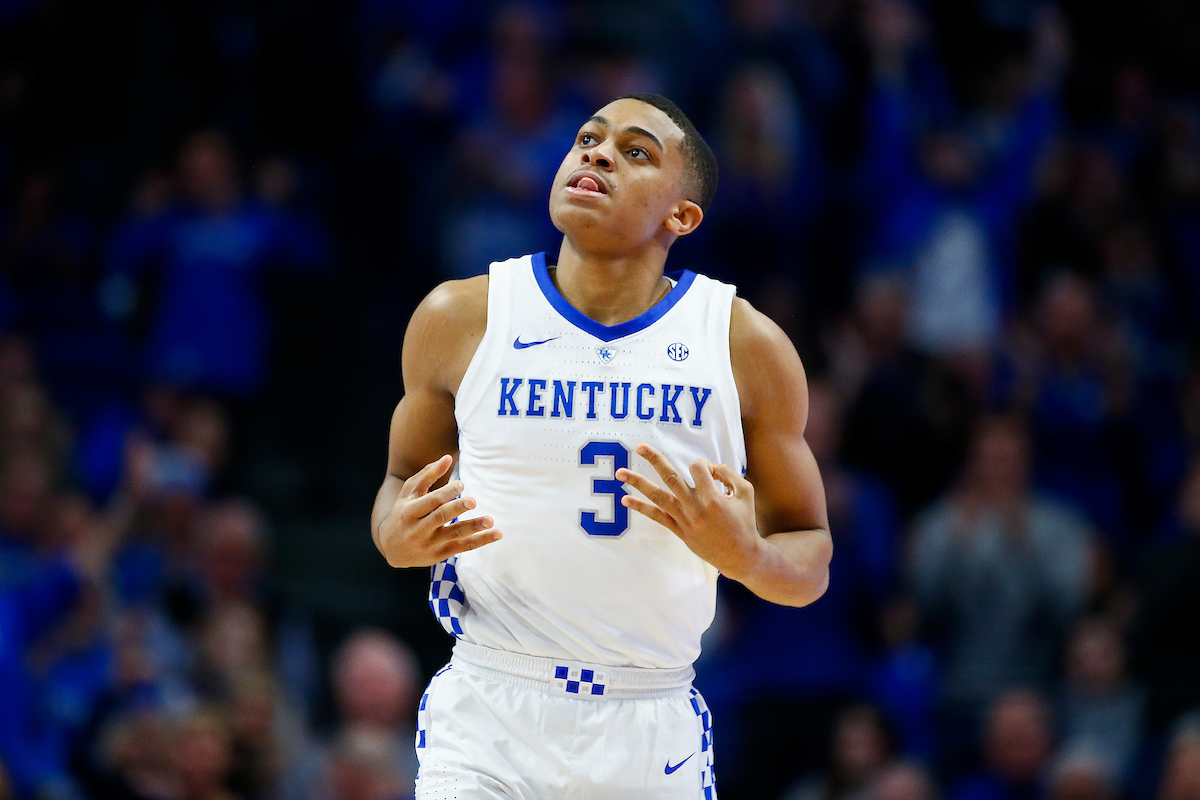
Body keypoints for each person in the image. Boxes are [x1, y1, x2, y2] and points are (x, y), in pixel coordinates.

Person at [370, 93, 832, 800]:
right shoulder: (460, 316)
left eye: (635, 150)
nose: (598, 153)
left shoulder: (744, 345)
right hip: (494, 704)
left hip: (649, 721)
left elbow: (811, 556)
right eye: (588, 138)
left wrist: (750, 557)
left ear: (681, 215)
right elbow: (398, 483)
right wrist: (397, 536)